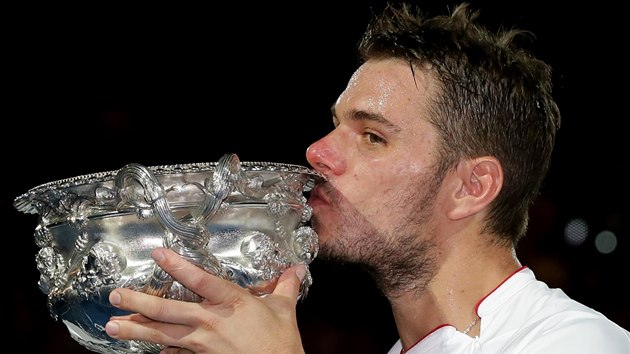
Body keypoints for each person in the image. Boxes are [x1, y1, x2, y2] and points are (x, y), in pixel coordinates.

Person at [103, 2, 630, 353]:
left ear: (472, 187)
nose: (317, 152)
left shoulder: (577, 342)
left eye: (373, 136)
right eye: (335, 125)